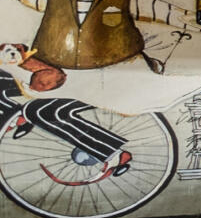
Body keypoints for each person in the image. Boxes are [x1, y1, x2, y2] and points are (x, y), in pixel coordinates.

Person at [0, 41, 132, 181]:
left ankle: (113, 154)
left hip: (91, 76)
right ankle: (14, 116)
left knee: (41, 111)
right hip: (62, 68)